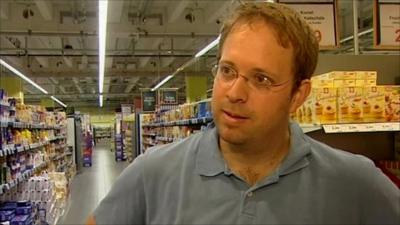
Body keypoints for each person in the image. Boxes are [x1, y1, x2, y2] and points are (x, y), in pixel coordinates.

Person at [88, 2, 399, 224]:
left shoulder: (355, 183)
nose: (234, 92)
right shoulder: (152, 174)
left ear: (298, 96)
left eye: (261, 79)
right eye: (227, 71)